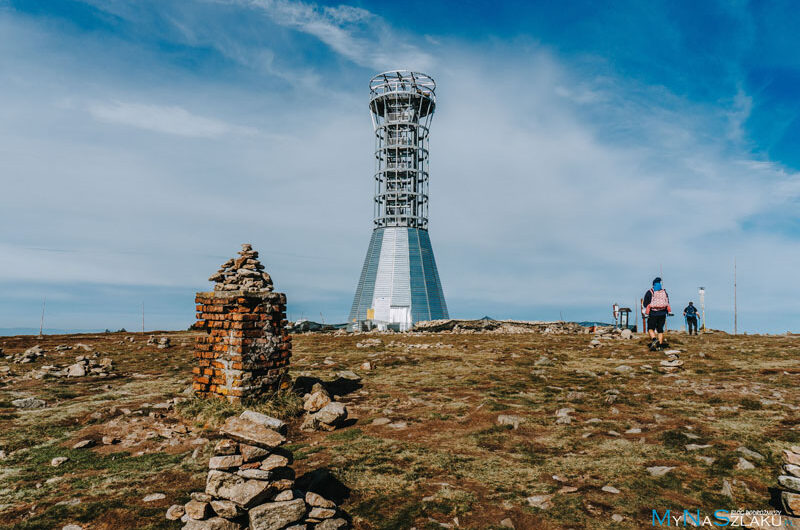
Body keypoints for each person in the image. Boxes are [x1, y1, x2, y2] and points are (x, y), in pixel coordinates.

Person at [642, 277, 671, 350]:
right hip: (662, 313)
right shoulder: (664, 292)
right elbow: (667, 302)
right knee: (660, 330)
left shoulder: (650, 292)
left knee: (650, 328)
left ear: (653, 284)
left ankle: (654, 340)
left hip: (653, 313)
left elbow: (645, 304)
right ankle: (660, 346)